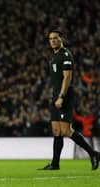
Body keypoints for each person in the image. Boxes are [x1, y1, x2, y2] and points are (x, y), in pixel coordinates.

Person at [39, 29, 100, 170]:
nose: (53, 40)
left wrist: (61, 96)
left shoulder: (65, 55)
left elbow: (67, 78)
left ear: (61, 39)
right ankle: (55, 164)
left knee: (66, 130)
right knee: (56, 130)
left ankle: (93, 153)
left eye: (55, 38)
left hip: (64, 96)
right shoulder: (53, 57)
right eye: (50, 39)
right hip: (55, 96)